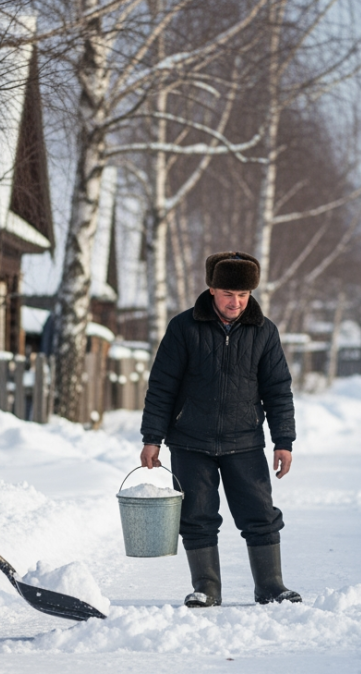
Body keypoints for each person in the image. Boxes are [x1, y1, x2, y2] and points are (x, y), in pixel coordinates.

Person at [139, 252, 301, 607]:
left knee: (260, 514)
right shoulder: (183, 328)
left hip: (244, 441)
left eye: (243, 295)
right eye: (229, 293)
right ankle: (207, 588)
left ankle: (271, 586)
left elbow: (278, 390)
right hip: (189, 441)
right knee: (196, 515)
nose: (236, 302)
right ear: (212, 289)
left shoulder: (264, 331)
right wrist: (152, 438)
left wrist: (283, 441)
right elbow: (162, 385)